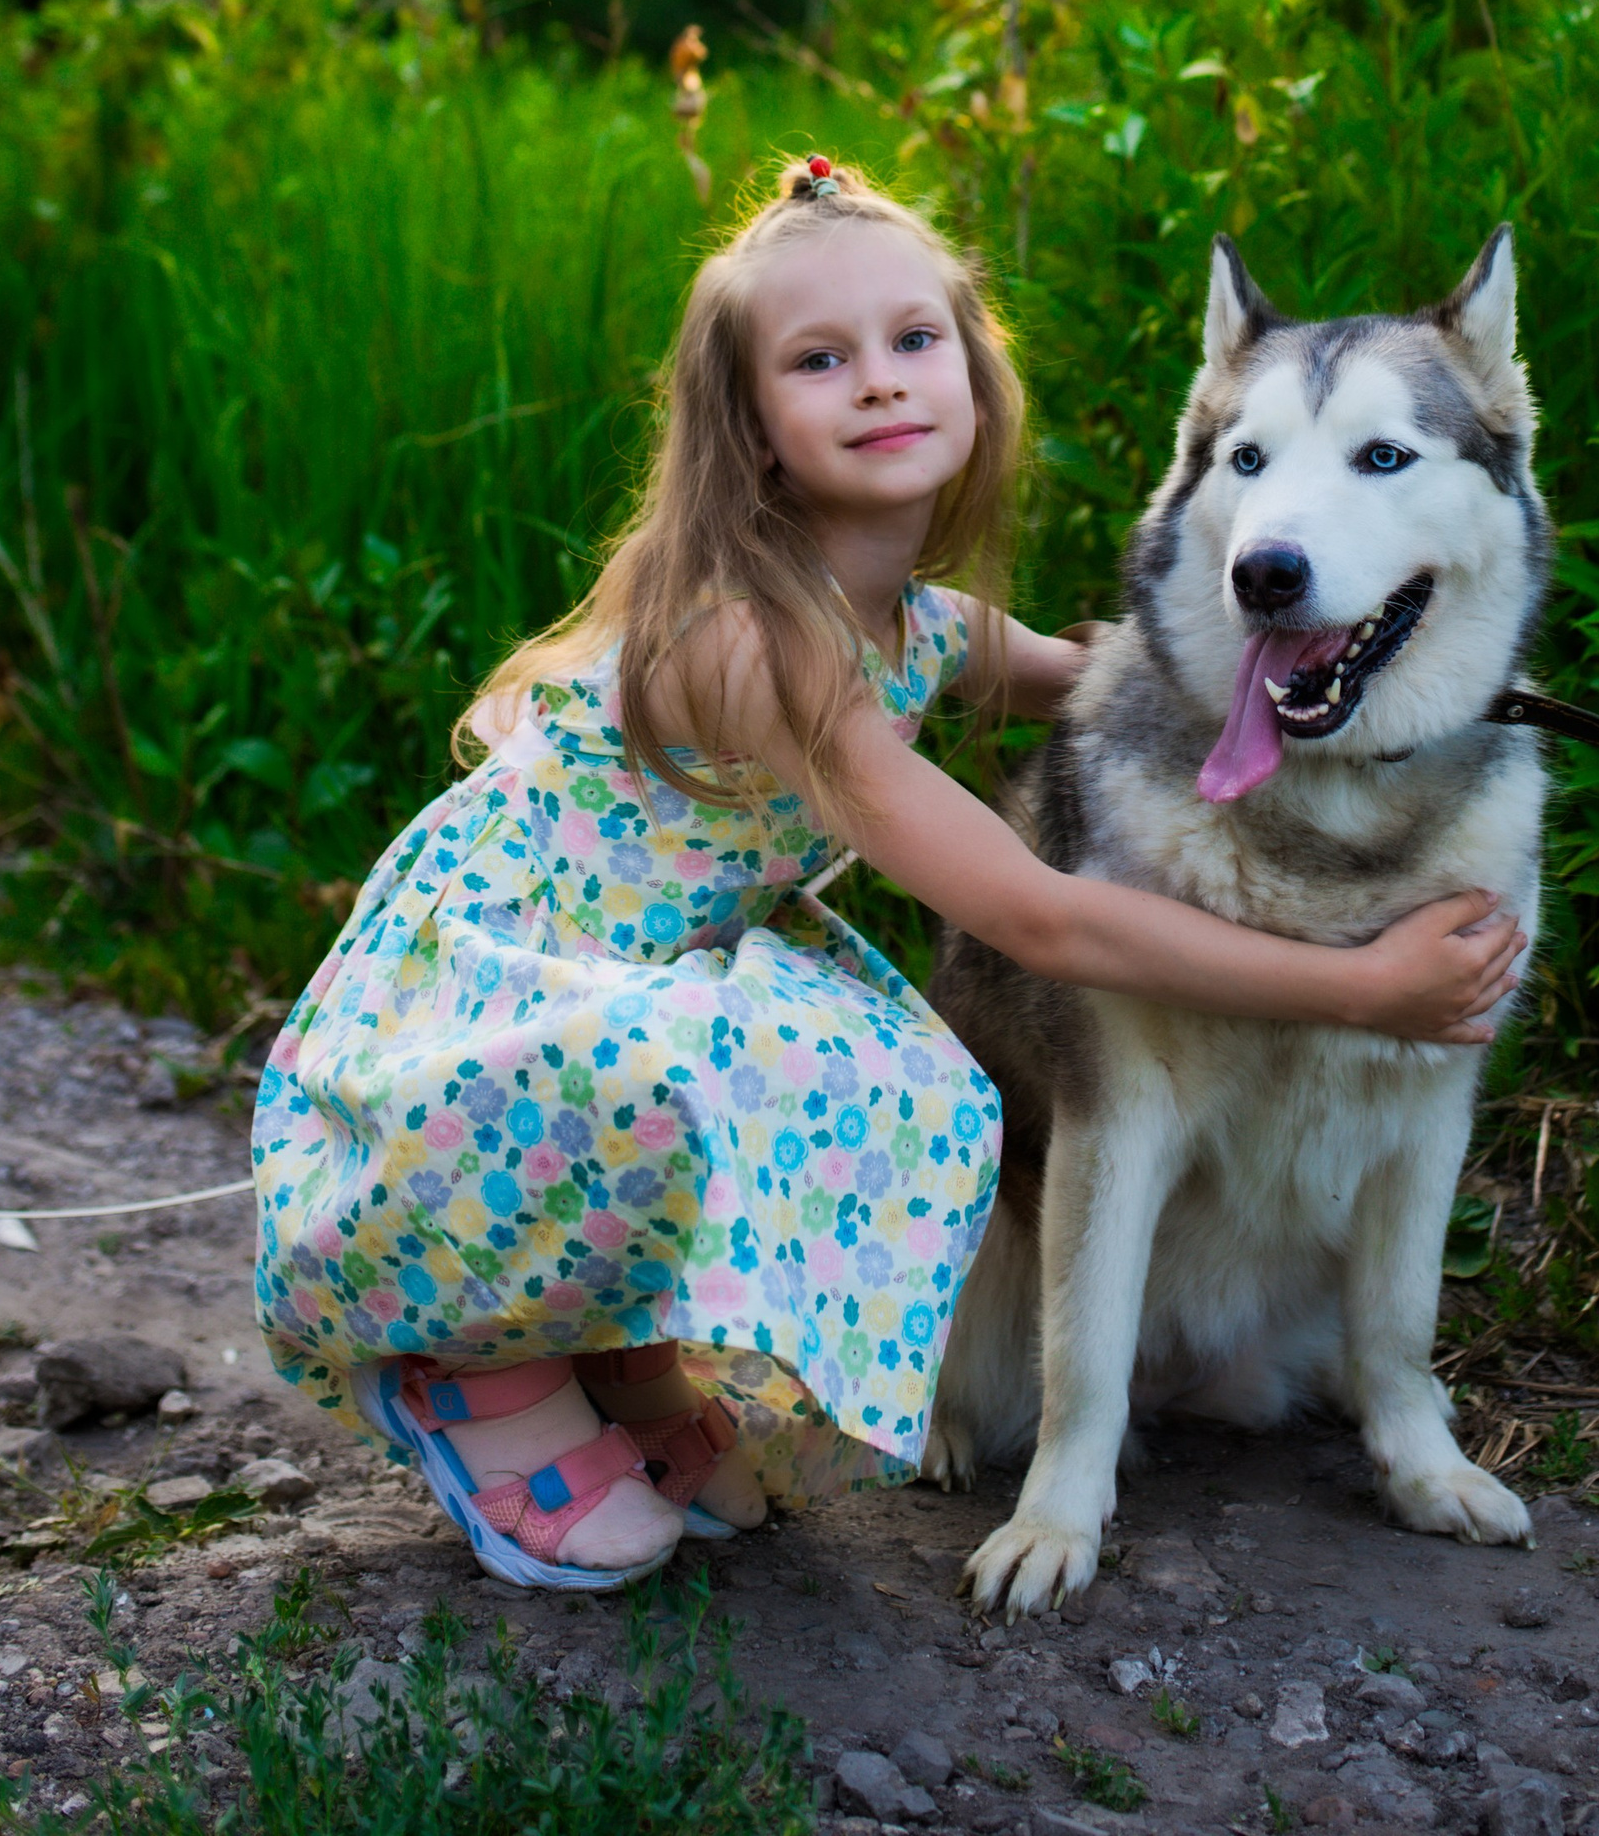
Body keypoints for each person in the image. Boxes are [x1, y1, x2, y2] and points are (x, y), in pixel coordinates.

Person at [251, 159, 1526, 1594]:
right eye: (820, 359)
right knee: (781, 1063)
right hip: (505, 1004)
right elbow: (1035, 914)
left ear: (976, 375)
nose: (879, 382)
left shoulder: (919, 622)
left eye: (915, 341)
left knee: (852, 1069)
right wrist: (1359, 983)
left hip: (643, 971)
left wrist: (1370, 705)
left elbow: (1120, 678)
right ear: (750, 427)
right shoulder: (764, 646)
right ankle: (466, 1366)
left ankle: (616, 1355)